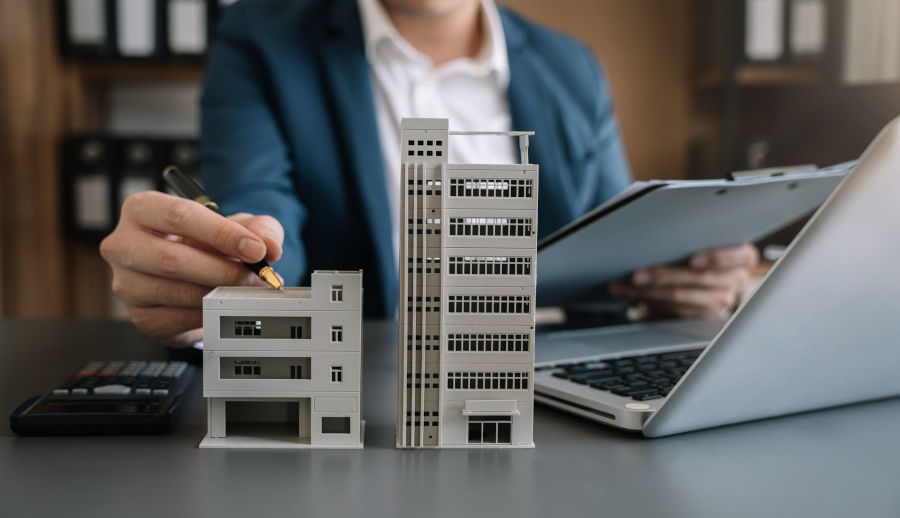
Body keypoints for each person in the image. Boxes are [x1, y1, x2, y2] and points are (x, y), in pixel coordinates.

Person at [100, 0, 758, 348]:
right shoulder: (262, 37)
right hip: (381, 397)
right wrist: (229, 261)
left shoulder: (571, 66)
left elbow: (612, 242)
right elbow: (261, 203)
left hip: (555, 388)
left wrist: (678, 282)